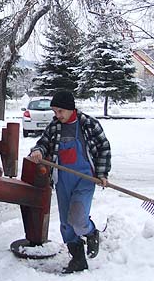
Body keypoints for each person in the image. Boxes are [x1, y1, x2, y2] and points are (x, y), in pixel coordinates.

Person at [29, 90, 111, 273]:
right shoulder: (55, 126)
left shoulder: (88, 124)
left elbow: (104, 147)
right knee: (66, 224)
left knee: (78, 219)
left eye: (60, 112)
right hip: (63, 180)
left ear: (70, 108)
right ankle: (78, 259)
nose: (57, 116)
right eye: (55, 112)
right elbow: (44, 142)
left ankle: (91, 232)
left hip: (85, 179)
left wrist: (103, 173)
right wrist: (39, 151)